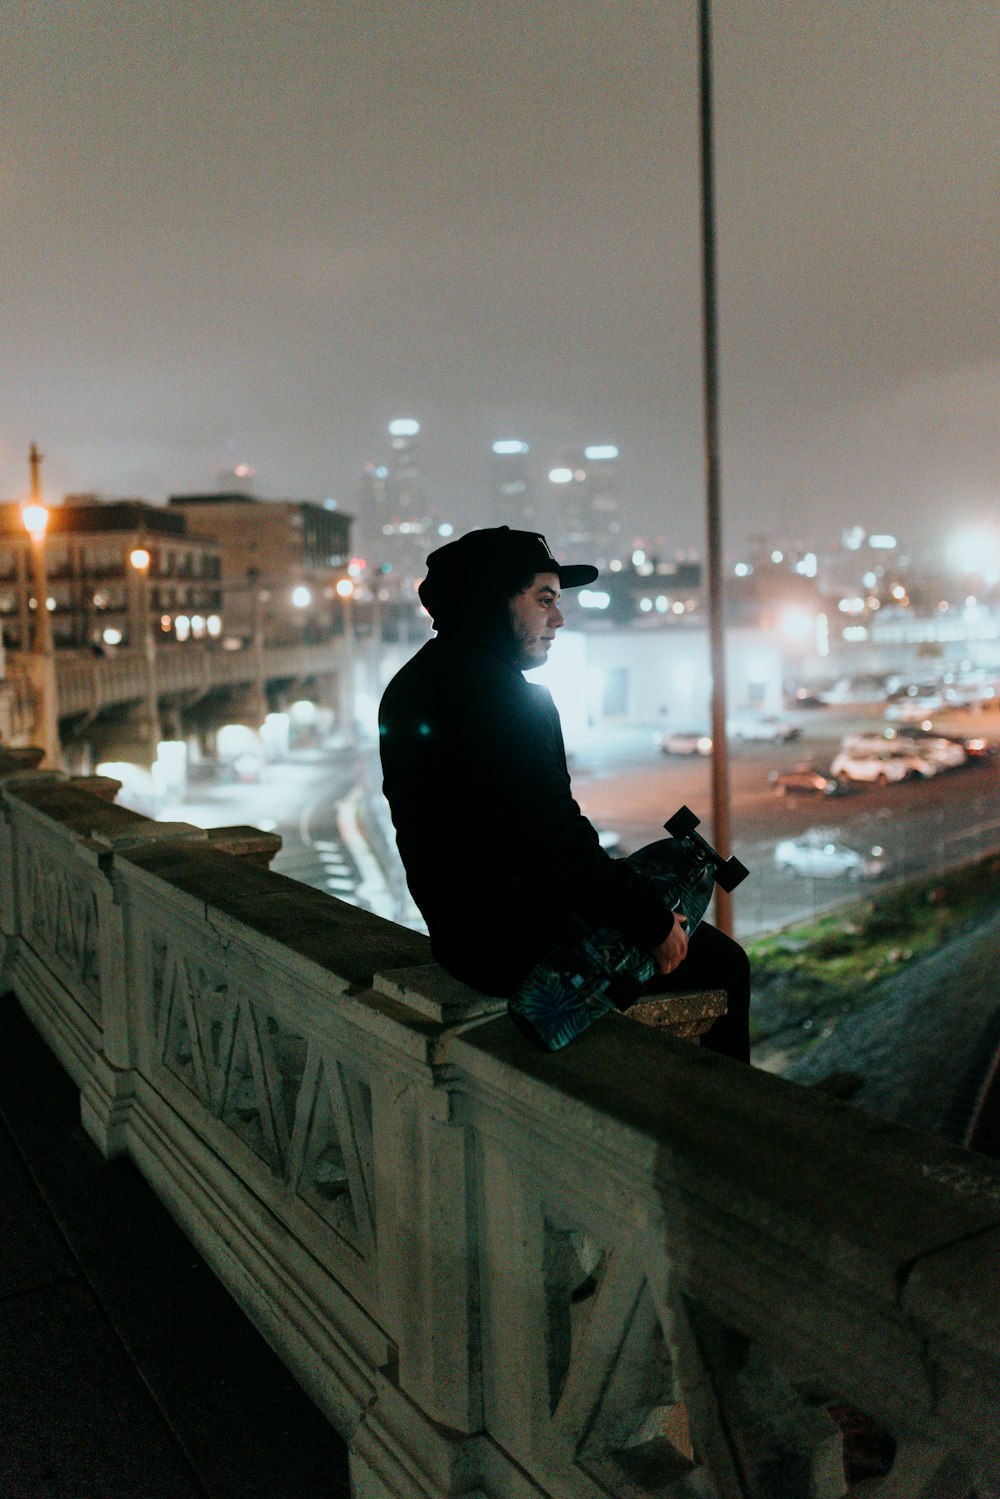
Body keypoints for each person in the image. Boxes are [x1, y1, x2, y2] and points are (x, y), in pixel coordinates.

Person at [378, 526, 750, 1061]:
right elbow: (557, 844)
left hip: (460, 943)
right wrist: (651, 922)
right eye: (544, 600)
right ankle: (731, 1131)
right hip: (523, 952)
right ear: (489, 601)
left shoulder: (409, 685)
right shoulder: (512, 700)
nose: (559, 618)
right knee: (724, 965)